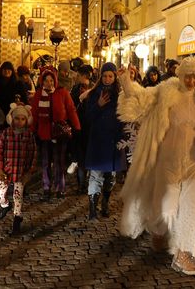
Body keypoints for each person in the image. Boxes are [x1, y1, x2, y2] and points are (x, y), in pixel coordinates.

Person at [117, 57, 195, 275]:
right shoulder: (165, 91)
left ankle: (183, 253)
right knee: (164, 205)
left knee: (193, 208)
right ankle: (158, 231)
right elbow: (141, 99)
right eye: (188, 76)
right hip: (168, 160)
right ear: (181, 74)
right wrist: (126, 82)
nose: (192, 81)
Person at [83, 62, 126, 220]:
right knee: (96, 175)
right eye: (105, 75)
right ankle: (93, 208)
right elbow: (88, 117)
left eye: (110, 76)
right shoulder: (94, 93)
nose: (107, 79)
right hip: (98, 139)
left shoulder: (121, 94)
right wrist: (99, 105)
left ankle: (105, 203)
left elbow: (125, 116)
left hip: (114, 139)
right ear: (100, 77)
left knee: (111, 176)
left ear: (115, 77)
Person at [30, 67, 81, 200]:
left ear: (55, 80)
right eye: (46, 80)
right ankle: (46, 188)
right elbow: (34, 113)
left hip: (59, 133)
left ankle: (60, 188)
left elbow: (71, 109)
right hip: (44, 133)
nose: (49, 83)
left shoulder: (62, 92)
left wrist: (76, 126)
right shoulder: (39, 94)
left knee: (60, 162)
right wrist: (32, 129)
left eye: (51, 80)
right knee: (46, 162)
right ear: (42, 81)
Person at [0, 103, 36, 235]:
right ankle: (5, 205)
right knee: (0, 195)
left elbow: (33, 153)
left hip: (21, 173)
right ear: (12, 118)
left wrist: (29, 171)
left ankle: (17, 218)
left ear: (26, 120)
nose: (19, 122)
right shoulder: (5, 134)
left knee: (18, 197)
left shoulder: (29, 135)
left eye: (23, 119)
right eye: (17, 118)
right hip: (6, 172)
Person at [70, 65, 95, 194]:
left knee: (87, 157)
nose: (76, 77)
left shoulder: (94, 89)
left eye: (78, 75)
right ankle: (81, 184)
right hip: (78, 127)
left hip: (89, 127)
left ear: (84, 76)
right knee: (80, 158)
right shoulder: (75, 89)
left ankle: (88, 183)